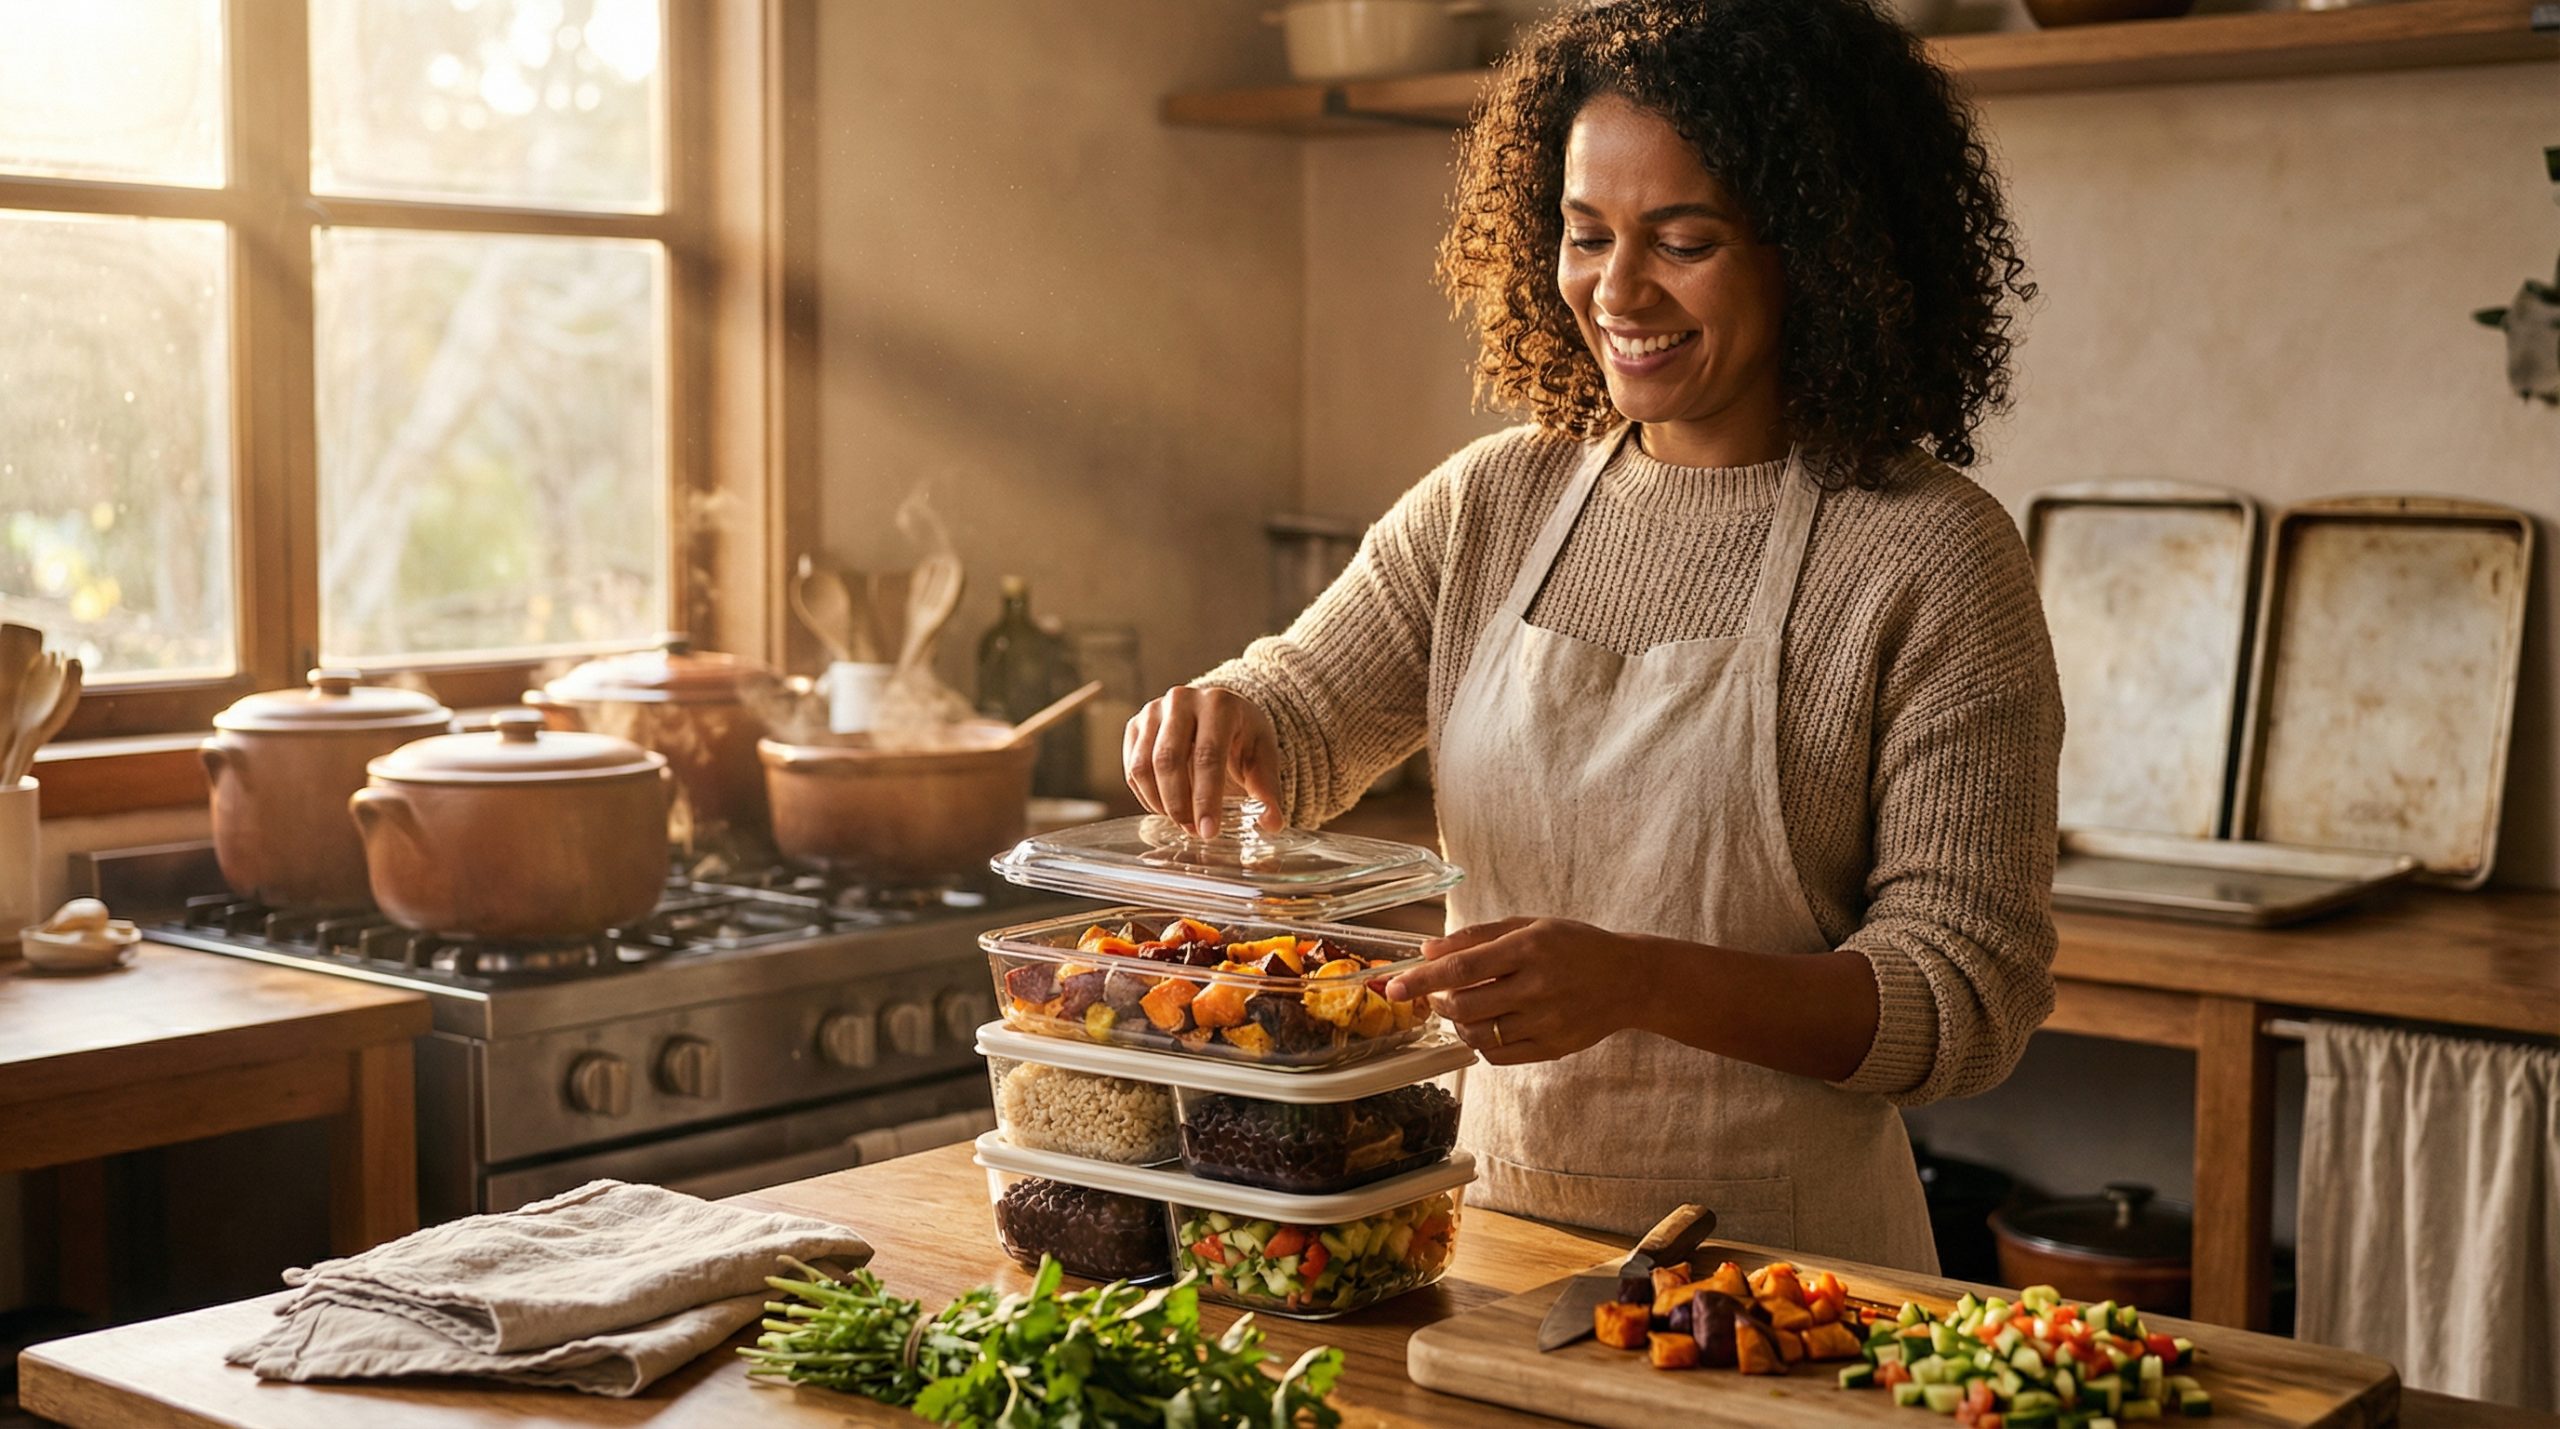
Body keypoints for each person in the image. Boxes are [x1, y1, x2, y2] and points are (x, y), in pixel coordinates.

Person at [1123, 0, 2059, 1271]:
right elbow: (1298, 714)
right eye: (1584, 234)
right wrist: (1222, 716)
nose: (1617, 291)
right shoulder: (1494, 502)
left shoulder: (1932, 556)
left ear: (1824, 252)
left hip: (1788, 1285)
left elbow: (1965, 1002)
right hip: (1478, 1240)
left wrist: (1642, 983)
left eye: (1683, 240)